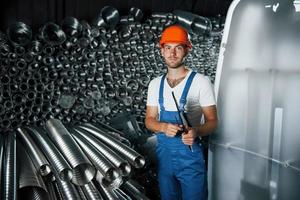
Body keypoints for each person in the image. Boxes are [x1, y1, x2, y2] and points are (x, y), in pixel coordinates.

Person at [145, 24, 218, 200]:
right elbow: (149, 120)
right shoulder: (155, 84)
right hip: (165, 159)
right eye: (168, 48)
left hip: (190, 158)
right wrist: (162, 127)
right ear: (162, 51)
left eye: (178, 47)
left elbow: (213, 122)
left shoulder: (201, 82)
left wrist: (196, 131)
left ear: (187, 50)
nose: (172, 53)